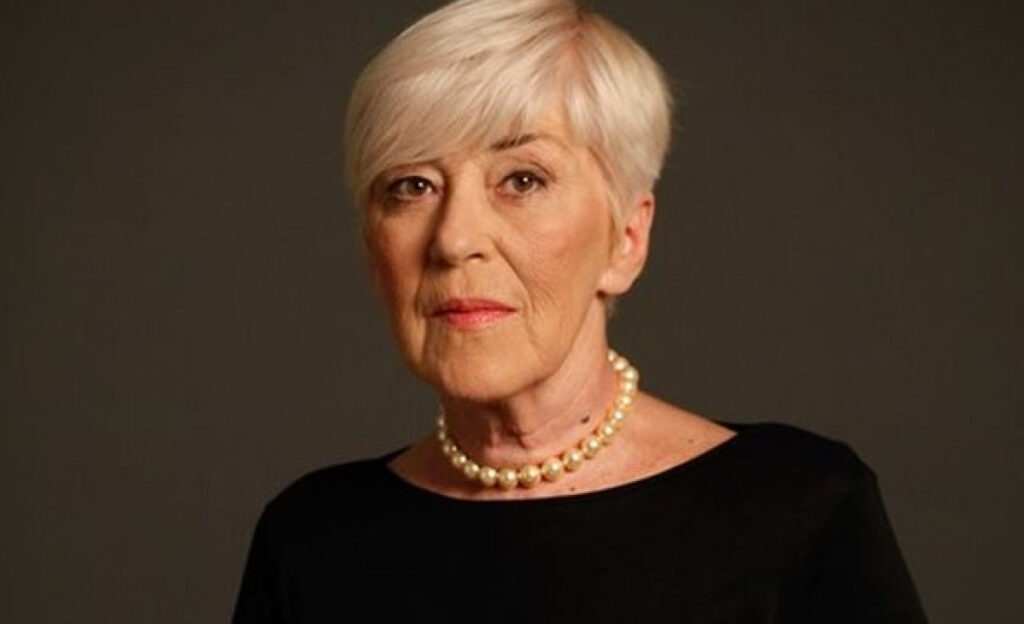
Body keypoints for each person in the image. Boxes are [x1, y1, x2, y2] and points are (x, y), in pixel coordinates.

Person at [232, 0, 928, 621]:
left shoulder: (801, 510)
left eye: (521, 179)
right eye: (412, 186)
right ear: (371, 247)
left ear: (627, 238)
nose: (454, 239)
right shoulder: (310, 540)